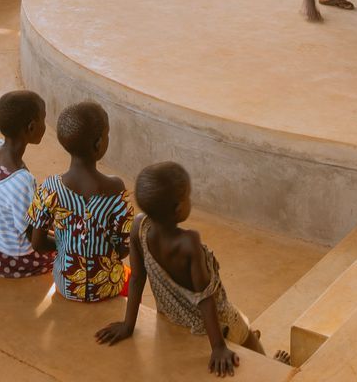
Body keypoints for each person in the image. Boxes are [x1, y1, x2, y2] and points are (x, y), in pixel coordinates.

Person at [97, 161, 262, 376]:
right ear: (177, 209)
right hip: (219, 322)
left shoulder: (139, 227)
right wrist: (218, 347)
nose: (190, 201)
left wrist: (128, 325)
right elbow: (204, 297)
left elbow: (137, 277)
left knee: (244, 330)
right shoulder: (189, 243)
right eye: (188, 198)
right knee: (247, 333)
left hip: (172, 317)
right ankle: (265, 356)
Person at [26, 101, 131, 303]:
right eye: (107, 134)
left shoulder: (50, 188)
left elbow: (37, 243)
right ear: (99, 144)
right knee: (131, 276)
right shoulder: (116, 188)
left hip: (65, 284)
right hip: (106, 286)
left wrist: (69, 248)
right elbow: (124, 249)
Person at [0, 89, 47, 278]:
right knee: (70, 252)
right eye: (44, 120)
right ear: (30, 128)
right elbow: (35, 240)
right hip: (14, 262)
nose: (45, 125)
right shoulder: (22, 180)